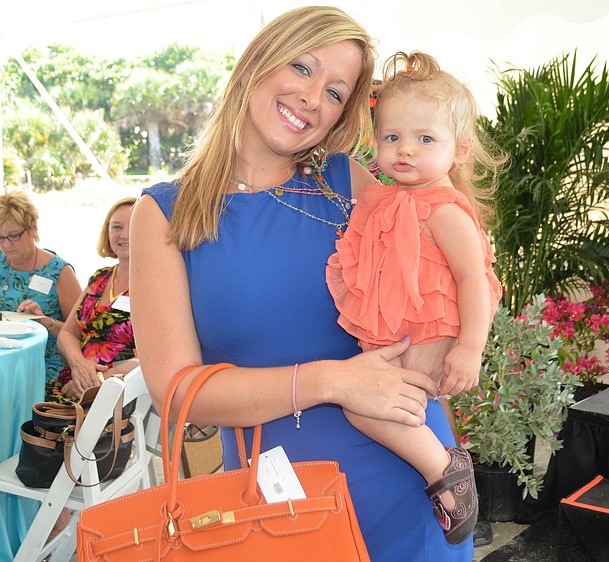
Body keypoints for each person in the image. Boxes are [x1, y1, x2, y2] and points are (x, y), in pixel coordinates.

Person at [130, 7, 472, 560]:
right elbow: (176, 393)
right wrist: (332, 382)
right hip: (282, 510)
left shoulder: (349, 184)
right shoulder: (167, 214)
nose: (314, 99)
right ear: (254, 64)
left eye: (337, 92)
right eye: (304, 68)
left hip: (414, 490)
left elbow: (448, 270)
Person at [326, 51, 503, 544]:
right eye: (391, 137)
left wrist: (469, 347)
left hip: (435, 332)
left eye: (425, 139)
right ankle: (443, 466)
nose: (405, 150)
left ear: (460, 150)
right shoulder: (383, 199)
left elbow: (475, 279)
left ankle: (447, 472)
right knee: (368, 402)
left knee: (370, 407)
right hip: (404, 334)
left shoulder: (445, 210)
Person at [55, 196, 139, 402]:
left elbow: (156, 357)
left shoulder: (157, 284)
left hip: (119, 394)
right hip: (75, 382)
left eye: (134, 226)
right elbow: (67, 333)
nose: (124, 235)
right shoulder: (100, 277)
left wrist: (99, 381)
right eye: (116, 227)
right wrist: (79, 365)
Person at [0, 189, 82, 395]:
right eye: (0, 238)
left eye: (13, 236)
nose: (6, 245)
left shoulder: (59, 272)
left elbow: (82, 332)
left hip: (45, 363)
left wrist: (45, 321)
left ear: (33, 229)